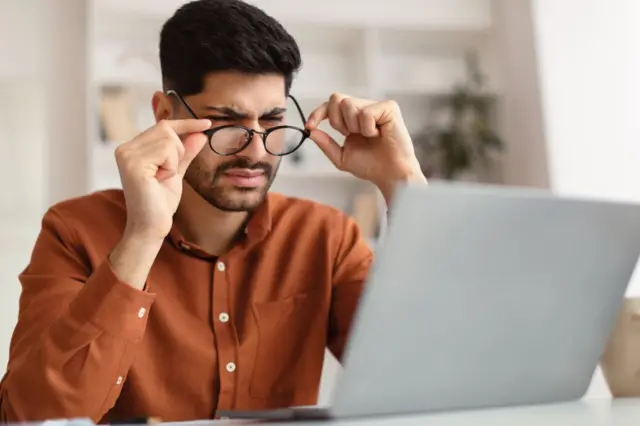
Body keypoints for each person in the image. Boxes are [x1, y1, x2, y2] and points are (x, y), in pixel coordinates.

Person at [0, 0, 426, 423]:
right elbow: (33, 415)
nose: (257, 151)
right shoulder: (74, 231)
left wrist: (403, 184)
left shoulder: (327, 236)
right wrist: (142, 236)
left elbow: (420, 384)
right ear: (166, 115)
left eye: (274, 120)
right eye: (227, 122)